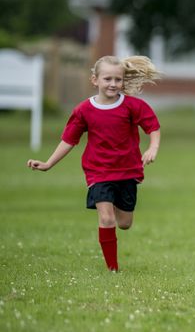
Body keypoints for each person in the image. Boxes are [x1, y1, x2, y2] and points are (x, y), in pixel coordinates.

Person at [27, 55, 161, 272]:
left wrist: (152, 148)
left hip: (127, 171)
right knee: (106, 218)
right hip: (98, 172)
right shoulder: (83, 110)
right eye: (107, 79)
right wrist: (48, 163)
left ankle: (116, 203)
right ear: (95, 80)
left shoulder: (133, 106)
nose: (113, 84)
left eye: (118, 80)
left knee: (125, 223)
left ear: (123, 81)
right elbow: (69, 140)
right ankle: (112, 268)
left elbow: (153, 127)